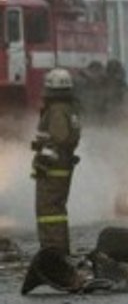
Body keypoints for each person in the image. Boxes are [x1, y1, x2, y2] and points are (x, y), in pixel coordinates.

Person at [30, 69, 82, 254]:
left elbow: (58, 138)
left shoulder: (57, 110)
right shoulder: (68, 108)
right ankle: (58, 249)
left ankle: (52, 250)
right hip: (61, 165)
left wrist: (43, 160)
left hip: (52, 168)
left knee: (48, 210)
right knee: (56, 210)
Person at [99, 60, 128, 216]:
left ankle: (108, 203)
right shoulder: (126, 90)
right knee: (123, 172)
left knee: (107, 171)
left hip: (107, 136)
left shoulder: (99, 90)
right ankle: (120, 204)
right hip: (124, 135)